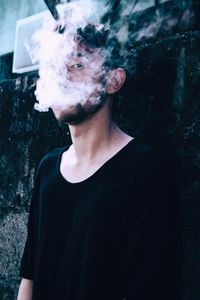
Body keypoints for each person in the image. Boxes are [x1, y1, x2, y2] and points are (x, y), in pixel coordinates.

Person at [17, 23, 182, 300]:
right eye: (56, 67)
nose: (61, 77)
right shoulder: (47, 168)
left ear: (113, 80)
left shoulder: (147, 171)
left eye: (77, 65)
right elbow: (29, 278)